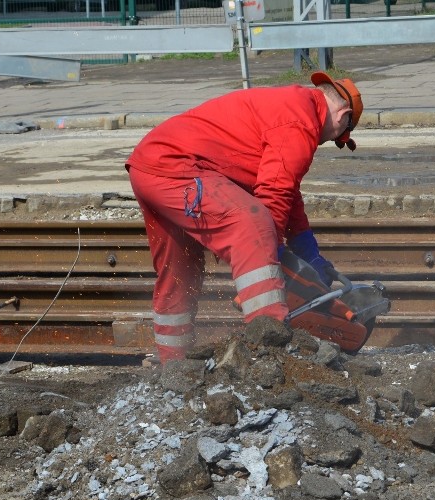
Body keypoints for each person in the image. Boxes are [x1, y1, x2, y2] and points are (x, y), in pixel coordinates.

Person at [125, 72, 364, 364]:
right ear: (344, 116)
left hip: (150, 165)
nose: (326, 142)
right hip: (179, 167)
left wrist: (309, 255)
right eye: (336, 138)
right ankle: (270, 353)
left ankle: (173, 362)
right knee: (253, 223)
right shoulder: (302, 120)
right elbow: (275, 193)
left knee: (180, 269)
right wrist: (274, 259)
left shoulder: (290, 105)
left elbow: (287, 190)